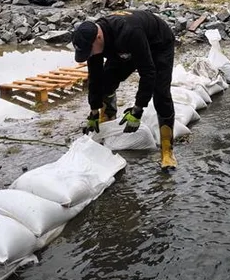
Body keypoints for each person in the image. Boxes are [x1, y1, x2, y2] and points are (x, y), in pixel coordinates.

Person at [72, 10, 177, 172]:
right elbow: (94, 75)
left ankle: (167, 150)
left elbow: (148, 72)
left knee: (161, 93)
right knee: (106, 82)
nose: (90, 55)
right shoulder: (93, 38)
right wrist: (93, 109)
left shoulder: (129, 32)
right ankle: (108, 116)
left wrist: (137, 109)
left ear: (98, 38)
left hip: (158, 44)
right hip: (126, 48)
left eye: (90, 51)